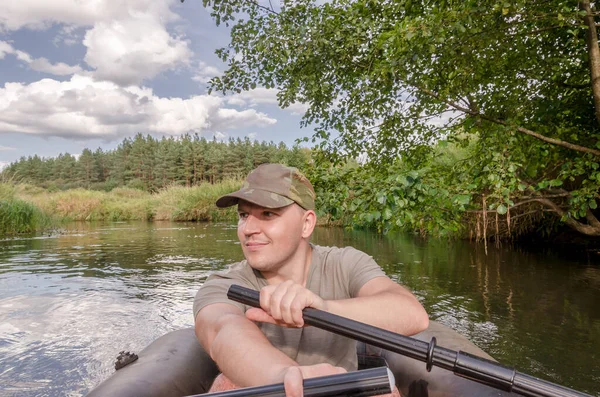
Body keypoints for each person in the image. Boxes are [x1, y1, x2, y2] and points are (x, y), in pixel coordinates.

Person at [193, 163, 429, 397]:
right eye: (244, 215)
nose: (248, 228)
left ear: (306, 224)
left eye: (267, 213)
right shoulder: (226, 282)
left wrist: (324, 308)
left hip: (341, 390)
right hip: (267, 391)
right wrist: (285, 376)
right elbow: (222, 327)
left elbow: (412, 314)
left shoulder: (345, 263)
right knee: (227, 384)